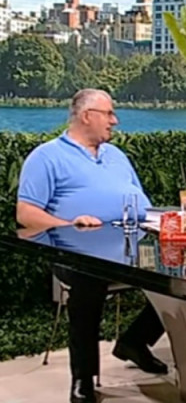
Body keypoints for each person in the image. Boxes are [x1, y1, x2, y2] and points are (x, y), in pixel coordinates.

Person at [16, 89, 167, 403]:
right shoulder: (46, 156)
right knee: (89, 281)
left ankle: (135, 341)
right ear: (86, 116)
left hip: (130, 246)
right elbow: (26, 215)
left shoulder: (116, 156)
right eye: (109, 113)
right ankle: (83, 380)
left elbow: (141, 201)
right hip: (77, 252)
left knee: (181, 276)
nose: (115, 121)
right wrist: (69, 223)